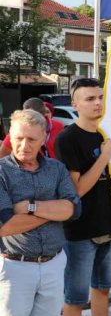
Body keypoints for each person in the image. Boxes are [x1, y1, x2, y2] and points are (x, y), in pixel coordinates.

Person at [0, 110, 81, 316]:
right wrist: (54, 210)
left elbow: (74, 209)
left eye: (31, 139)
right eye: (19, 138)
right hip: (14, 267)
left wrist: (30, 206)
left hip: (54, 264)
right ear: (10, 135)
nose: (24, 146)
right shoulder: (1, 172)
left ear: (44, 138)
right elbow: (5, 225)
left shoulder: (57, 169)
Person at [55, 78, 111, 316]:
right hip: (81, 232)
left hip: (109, 225)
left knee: (102, 290)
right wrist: (104, 157)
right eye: (90, 99)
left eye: (100, 97)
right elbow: (76, 190)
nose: (98, 103)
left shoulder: (108, 134)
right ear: (76, 104)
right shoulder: (67, 138)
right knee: (76, 298)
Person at [0, 97, 65, 159]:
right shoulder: (19, 132)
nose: (30, 120)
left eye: (33, 117)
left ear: (43, 114)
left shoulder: (58, 126)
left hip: (54, 168)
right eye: (27, 116)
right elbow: (2, 154)